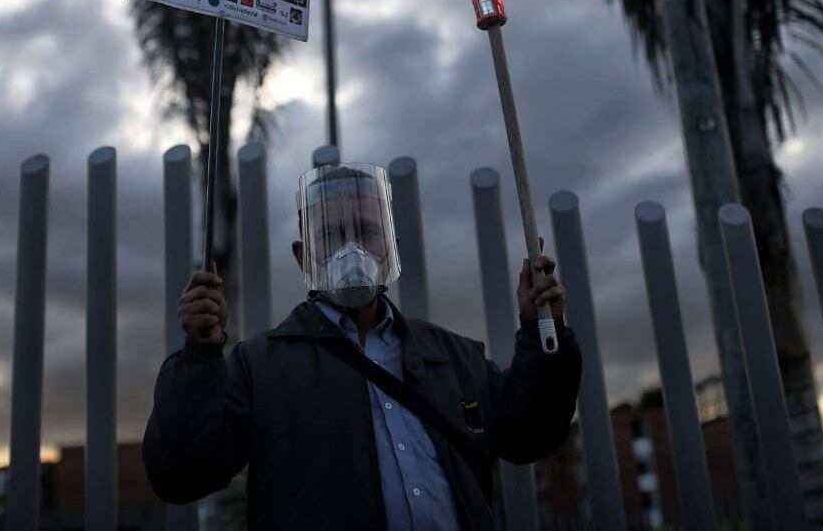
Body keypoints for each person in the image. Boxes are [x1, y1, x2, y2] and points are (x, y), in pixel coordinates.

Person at [143, 163, 582, 530]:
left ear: (389, 243)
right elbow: (181, 475)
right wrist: (200, 356)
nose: (351, 250)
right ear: (303, 255)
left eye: (367, 232)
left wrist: (543, 328)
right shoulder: (259, 367)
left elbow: (532, 433)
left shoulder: (453, 356)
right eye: (331, 235)